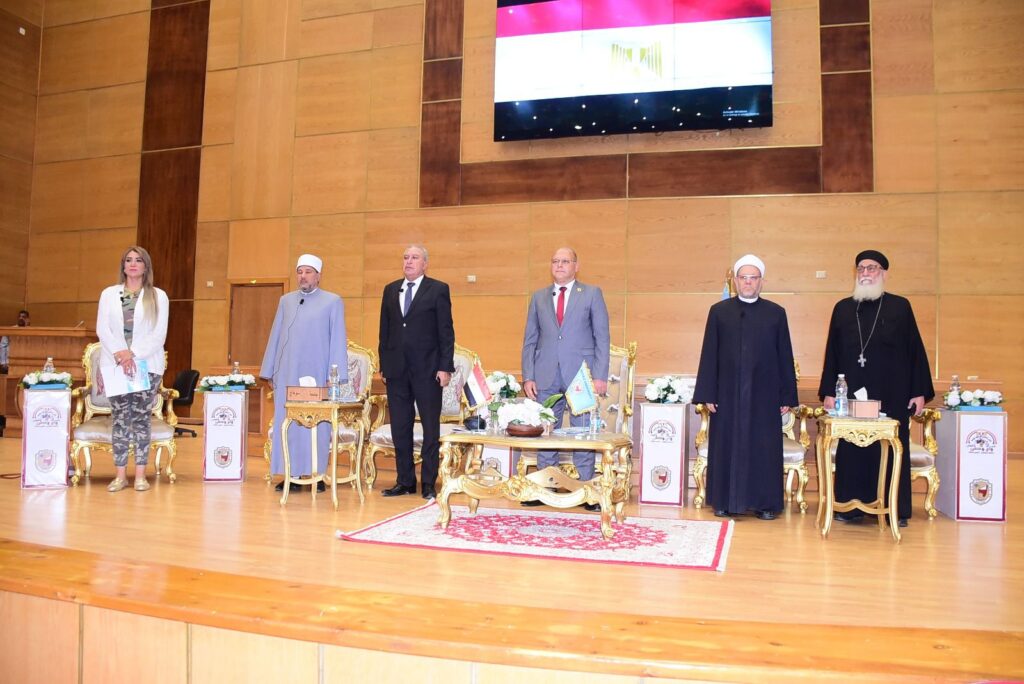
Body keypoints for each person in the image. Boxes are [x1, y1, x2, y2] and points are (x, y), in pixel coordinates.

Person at [819, 250, 934, 527]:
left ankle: (894, 508)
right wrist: (830, 391)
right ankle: (849, 507)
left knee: (892, 449)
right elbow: (832, 352)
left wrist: (918, 390)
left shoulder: (900, 307)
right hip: (851, 393)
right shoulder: (843, 308)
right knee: (852, 449)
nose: (866, 273)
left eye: (872, 268)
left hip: (892, 391)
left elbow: (914, 350)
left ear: (884, 273)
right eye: (861, 268)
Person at [693, 254, 799, 520]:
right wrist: (708, 393)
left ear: (761, 281)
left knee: (763, 447)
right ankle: (723, 502)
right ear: (735, 281)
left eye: (753, 278)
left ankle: (765, 504)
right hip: (726, 394)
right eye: (743, 278)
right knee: (726, 445)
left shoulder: (776, 313)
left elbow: (785, 355)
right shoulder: (719, 312)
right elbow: (709, 353)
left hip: (764, 395)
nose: (748, 282)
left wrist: (786, 395)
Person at [521, 247, 610, 511]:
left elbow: (602, 337)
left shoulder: (591, 294)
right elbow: (530, 340)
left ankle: (586, 490)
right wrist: (528, 376)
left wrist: (600, 376)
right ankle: (546, 486)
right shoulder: (539, 297)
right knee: (546, 432)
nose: (559, 265)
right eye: (555, 261)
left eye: (565, 261)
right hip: (545, 374)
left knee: (582, 432)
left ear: (576, 266)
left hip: (581, 375)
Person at [260, 254, 347, 493]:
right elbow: (276, 335)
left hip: (316, 374)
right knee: (288, 424)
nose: (303, 276)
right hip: (287, 373)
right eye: (300, 272)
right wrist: (269, 370)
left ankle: (316, 474)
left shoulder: (332, 301)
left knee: (316, 426)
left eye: (308, 272)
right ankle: (291, 474)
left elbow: (337, 339)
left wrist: (334, 376)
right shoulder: (286, 301)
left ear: (318, 276)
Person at [378, 245, 456, 500]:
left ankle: (429, 483)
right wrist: (384, 364)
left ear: (425, 264)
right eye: (406, 257)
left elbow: (446, 332)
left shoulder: (438, 289)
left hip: (428, 370)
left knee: (430, 428)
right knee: (400, 427)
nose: (409, 261)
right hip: (396, 371)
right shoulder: (391, 289)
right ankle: (405, 481)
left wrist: (445, 366)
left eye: (414, 258)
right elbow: (384, 330)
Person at [95, 246, 169, 493]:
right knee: (120, 419)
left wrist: (132, 353)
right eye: (128, 260)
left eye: (138, 260)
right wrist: (120, 354)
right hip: (115, 364)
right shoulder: (108, 294)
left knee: (140, 420)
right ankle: (120, 476)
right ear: (123, 266)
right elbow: (103, 329)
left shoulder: (158, 296)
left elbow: (158, 334)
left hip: (146, 365)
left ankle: (139, 475)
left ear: (146, 266)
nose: (133, 264)